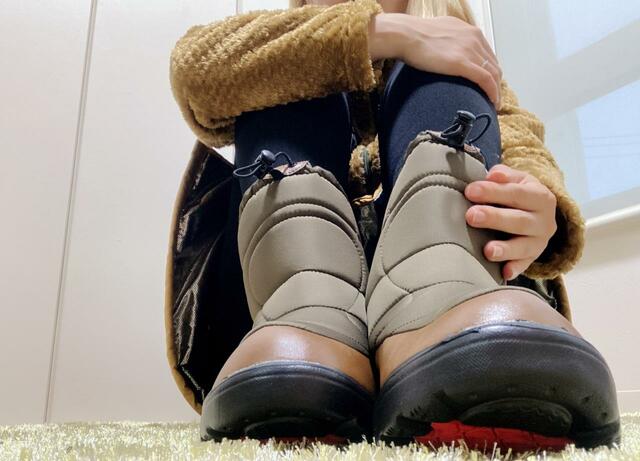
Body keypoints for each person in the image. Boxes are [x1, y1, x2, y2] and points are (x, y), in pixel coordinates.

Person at [166, 0, 620, 450]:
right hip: (275, 296)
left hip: (455, 288)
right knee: (287, 59)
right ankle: (307, 325)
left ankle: (439, 309)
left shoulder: (459, 54)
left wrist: (538, 202)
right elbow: (196, 69)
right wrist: (381, 35)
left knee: (449, 65)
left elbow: (518, 139)